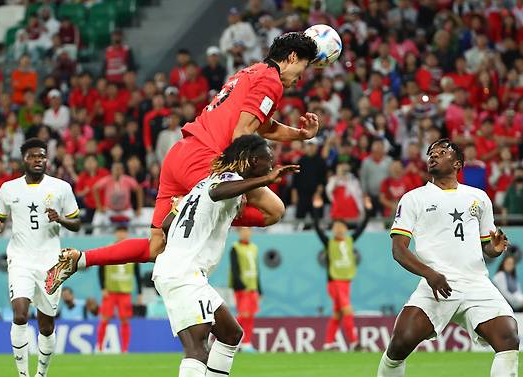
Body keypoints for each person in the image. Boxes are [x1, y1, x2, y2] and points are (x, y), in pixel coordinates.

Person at [46, 32, 320, 295]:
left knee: (155, 248)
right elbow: (242, 134)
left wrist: (299, 135)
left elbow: (262, 125)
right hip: (205, 161)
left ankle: (78, 258)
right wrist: (238, 184)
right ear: (293, 57)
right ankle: (188, 210)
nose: (300, 78)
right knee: (274, 210)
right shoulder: (272, 81)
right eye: (304, 68)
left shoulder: (249, 73)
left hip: (179, 155)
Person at [152, 134, 298, 377]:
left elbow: (168, 223)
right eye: (267, 160)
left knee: (231, 334)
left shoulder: (203, 184)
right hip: (184, 273)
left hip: (184, 272)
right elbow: (218, 192)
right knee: (198, 351)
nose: (271, 166)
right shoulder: (227, 179)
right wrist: (265, 180)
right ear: (251, 160)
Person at [377, 138, 517, 377]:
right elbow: (398, 250)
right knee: (400, 343)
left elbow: (487, 247)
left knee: (508, 336)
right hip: (436, 284)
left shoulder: (479, 197)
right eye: (431, 152)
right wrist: (430, 275)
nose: (433, 155)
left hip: (476, 284)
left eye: (442, 152)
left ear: (457, 164)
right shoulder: (414, 198)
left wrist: (494, 248)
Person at [0, 138, 81, 377]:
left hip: (51, 262)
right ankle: (23, 375)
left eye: (42, 156)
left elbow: (77, 223)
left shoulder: (61, 188)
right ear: (24, 159)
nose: (38, 160)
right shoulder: (8, 189)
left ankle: (41, 373)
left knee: (46, 327)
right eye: (33, 156)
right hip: (20, 259)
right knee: (20, 315)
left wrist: (60, 219)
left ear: (46, 159)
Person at [312, 195, 371, 351]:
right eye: (335, 227)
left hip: (346, 281)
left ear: (345, 229)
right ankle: (354, 343)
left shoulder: (350, 240)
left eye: (341, 226)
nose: (338, 229)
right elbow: (317, 228)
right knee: (347, 310)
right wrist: (317, 209)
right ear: (332, 230)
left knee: (338, 314)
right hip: (335, 282)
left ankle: (328, 343)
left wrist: (368, 210)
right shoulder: (328, 242)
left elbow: (362, 227)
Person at [96, 225, 142, 353]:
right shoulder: (109, 248)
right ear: (116, 233)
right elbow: (100, 268)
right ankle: (99, 348)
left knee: (125, 320)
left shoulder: (133, 250)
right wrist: (103, 287)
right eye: (119, 231)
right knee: (105, 318)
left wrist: (139, 292)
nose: (122, 234)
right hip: (110, 290)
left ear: (126, 234)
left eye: (124, 232)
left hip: (125, 291)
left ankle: (125, 349)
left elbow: (137, 272)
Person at [228, 227, 261, 353]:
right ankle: (222, 334)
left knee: (250, 316)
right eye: (243, 231)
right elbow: (234, 268)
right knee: (244, 315)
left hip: (252, 287)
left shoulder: (254, 248)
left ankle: (247, 343)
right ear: (239, 233)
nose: (246, 233)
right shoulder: (235, 247)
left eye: (248, 230)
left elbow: (257, 270)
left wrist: (260, 289)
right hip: (242, 287)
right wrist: (240, 285)